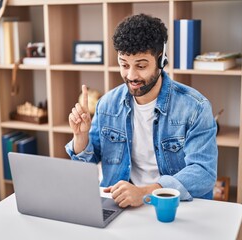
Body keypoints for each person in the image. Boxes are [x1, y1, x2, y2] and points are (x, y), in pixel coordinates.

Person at [65, 13, 217, 208]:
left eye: (141, 66)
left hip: (174, 207)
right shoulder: (107, 104)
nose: (131, 75)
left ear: (161, 60)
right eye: (124, 64)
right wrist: (80, 136)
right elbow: (84, 167)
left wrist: (145, 193)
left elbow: (203, 172)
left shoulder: (195, 107)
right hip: (120, 206)